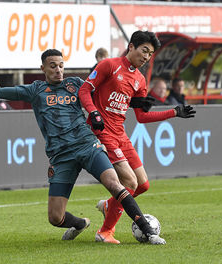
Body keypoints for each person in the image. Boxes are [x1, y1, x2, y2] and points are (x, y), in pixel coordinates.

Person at [0, 49, 166, 245]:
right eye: (53, 66)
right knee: (55, 218)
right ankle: (81, 223)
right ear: (42, 68)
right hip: (61, 157)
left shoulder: (75, 85)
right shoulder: (35, 90)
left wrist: (136, 103)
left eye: (61, 65)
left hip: (88, 145)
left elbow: (106, 95)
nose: (58, 70)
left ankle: (148, 232)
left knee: (114, 184)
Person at [78, 30, 195, 244]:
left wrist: (174, 112)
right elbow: (84, 90)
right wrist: (93, 112)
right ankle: (105, 232)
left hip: (121, 134)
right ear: (131, 46)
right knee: (129, 182)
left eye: (150, 54)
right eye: (144, 51)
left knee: (143, 185)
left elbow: (142, 117)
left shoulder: (140, 80)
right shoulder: (109, 65)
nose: (146, 57)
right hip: (103, 132)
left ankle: (109, 206)